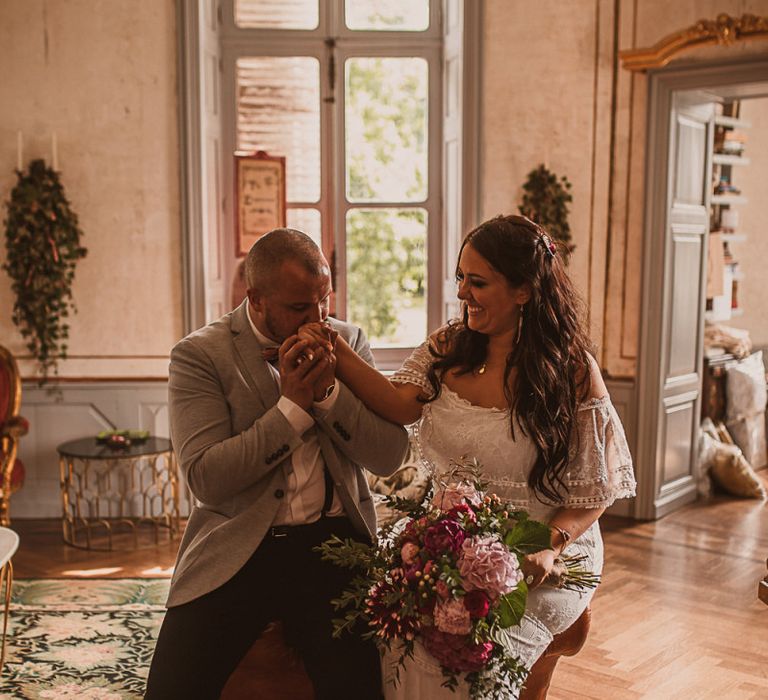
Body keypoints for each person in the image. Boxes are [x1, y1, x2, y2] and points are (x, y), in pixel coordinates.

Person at [299, 214, 636, 698]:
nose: (462, 293)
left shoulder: (572, 370)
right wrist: (333, 346)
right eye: (460, 278)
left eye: (477, 282)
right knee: (396, 643)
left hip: (543, 552)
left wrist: (548, 546)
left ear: (523, 290)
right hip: (451, 544)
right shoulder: (447, 347)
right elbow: (396, 403)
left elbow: (595, 490)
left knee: (473, 662)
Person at [145, 228, 409, 700]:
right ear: (256, 298)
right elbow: (206, 478)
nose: (319, 320)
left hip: (334, 545)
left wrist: (329, 396)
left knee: (359, 688)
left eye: (324, 301)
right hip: (241, 547)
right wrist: (291, 409)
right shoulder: (199, 355)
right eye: (299, 308)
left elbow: (389, 456)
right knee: (171, 688)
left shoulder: (347, 341)